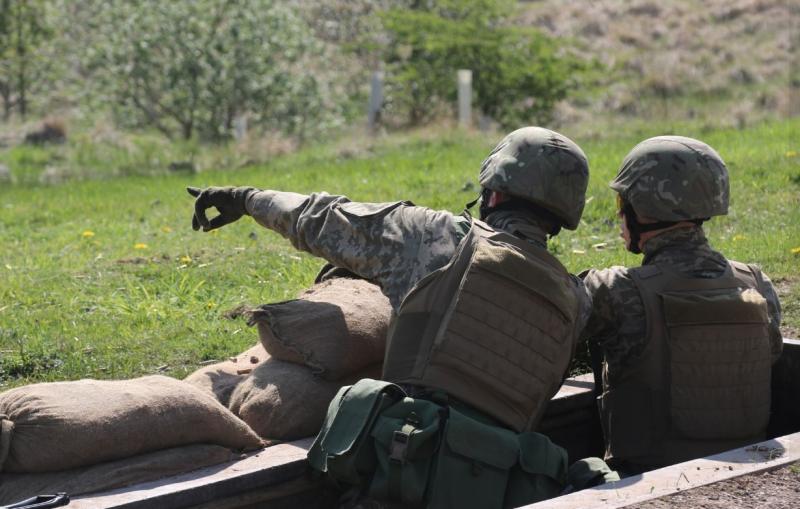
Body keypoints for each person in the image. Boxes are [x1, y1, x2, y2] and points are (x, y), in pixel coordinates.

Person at [189, 126, 593, 506]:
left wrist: (245, 198)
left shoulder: (437, 238)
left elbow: (322, 218)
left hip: (399, 476)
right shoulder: (575, 299)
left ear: (493, 192)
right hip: (491, 490)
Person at [580, 136, 783, 476]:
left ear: (641, 208)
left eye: (622, 200)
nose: (618, 213)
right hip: (749, 471)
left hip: (651, 480)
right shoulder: (755, 283)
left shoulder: (617, 290)